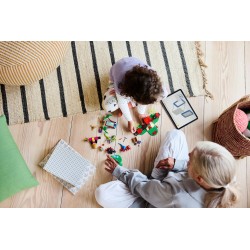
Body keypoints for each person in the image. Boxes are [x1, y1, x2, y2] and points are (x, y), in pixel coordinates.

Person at [95, 130, 240, 208]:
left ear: (199, 179)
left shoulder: (177, 195)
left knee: (102, 194)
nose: (187, 156)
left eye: (190, 160)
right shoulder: (224, 177)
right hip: (166, 188)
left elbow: (144, 188)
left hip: (153, 200)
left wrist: (120, 172)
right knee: (176, 135)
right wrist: (178, 164)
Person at [102, 57, 168, 133]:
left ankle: (131, 104)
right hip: (117, 80)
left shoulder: (153, 78)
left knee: (164, 94)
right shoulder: (121, 86)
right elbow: (122, 103)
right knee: (108, 106)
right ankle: (130, 103)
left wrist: (141, 114)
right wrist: (130, 120)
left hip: (134, 73)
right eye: (140, 103)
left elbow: (147, 94)